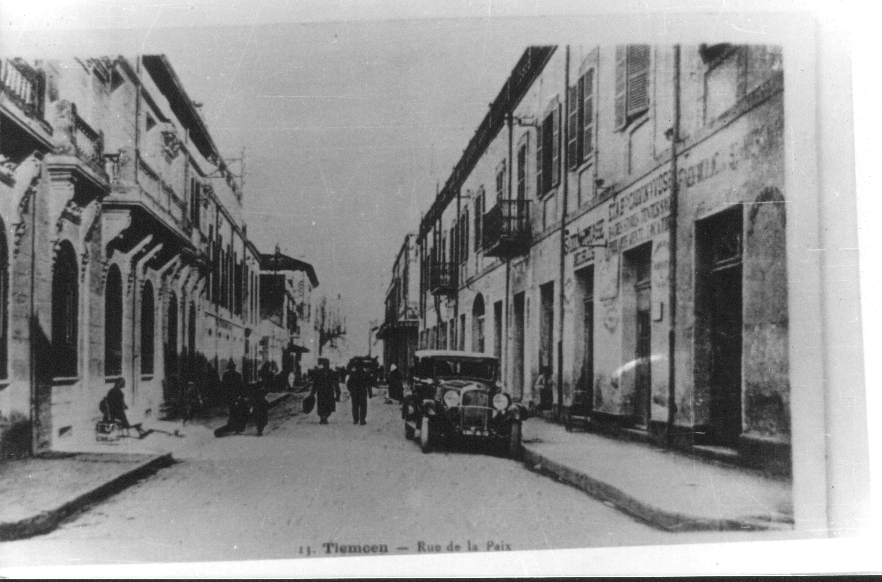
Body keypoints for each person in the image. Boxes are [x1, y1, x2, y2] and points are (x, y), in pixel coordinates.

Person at [311, 358, 338, 424]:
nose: (326, 365)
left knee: (325, 405)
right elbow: (316, 383)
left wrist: (312, 393)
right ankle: (323, 418)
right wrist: (312, 393)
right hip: (324, 392)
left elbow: (335, 384)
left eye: (327, 364)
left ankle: (324, 418)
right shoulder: (321, 372)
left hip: (325, 392)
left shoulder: (330, 373)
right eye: (325, 364)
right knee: (323, 405)